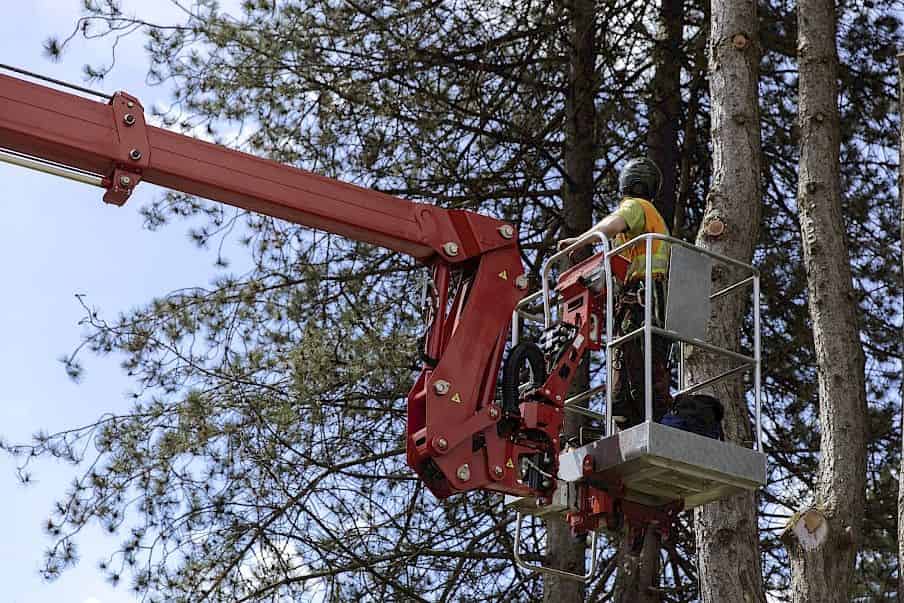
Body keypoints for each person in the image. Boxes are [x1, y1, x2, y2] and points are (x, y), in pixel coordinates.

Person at [559, 157, 672, 427]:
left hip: (644, 298)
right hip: (641, 299)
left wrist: (580, 240)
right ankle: (633, 419)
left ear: (627, 184)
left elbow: (610, 225)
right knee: (634, 367)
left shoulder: (637, 207)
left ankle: (649, 419)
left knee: (639, 365)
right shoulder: (644, 224)